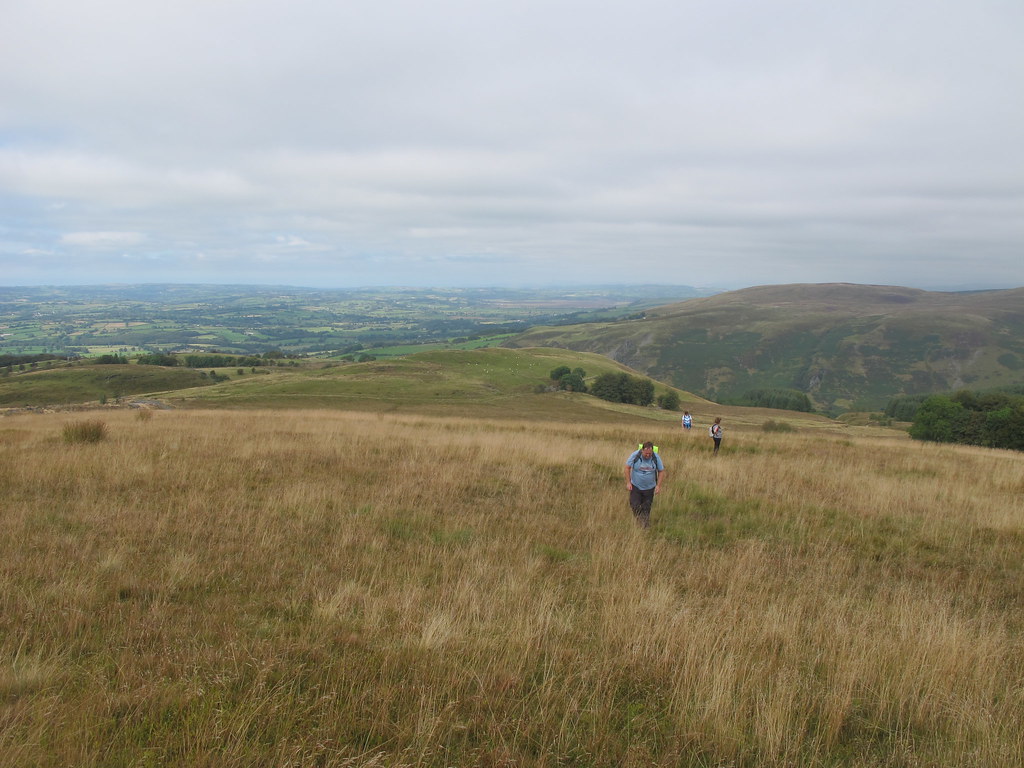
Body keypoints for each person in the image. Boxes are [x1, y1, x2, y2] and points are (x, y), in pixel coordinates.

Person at [623, 441, 666, 528]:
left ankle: (645, 526)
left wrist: (658, 486)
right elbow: (627, 468)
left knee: (646, 508)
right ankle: (639, 520)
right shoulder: (635, 455)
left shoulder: (656, 457)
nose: (648, 455)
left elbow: (661, 471)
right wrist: (628, 482)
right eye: (646, 453)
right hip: (635, 487)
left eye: (650, 453)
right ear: (642, 450)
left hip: (650, 488)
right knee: (635, 505)